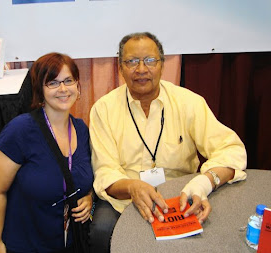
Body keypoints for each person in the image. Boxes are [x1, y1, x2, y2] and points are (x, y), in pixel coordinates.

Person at [89, 32, 247, 253]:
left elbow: (231, 149)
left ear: (162, 65)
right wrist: (133, 187)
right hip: (125, 196)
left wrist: (203, 184)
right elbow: (105, 170)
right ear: (120, 68)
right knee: (101, 231)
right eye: (132, 61)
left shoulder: (189, 102)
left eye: (150, 60)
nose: (141, 69)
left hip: (180, 193)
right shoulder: (103, 109)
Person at [0, 52, 94, 253]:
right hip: (26, 245)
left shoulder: (82, 129)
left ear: (78, 87)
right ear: (40, 90)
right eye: (52, 83)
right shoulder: (20, 130)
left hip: (71, 243)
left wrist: (89, 199)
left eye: (68, 81)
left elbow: (86, 180)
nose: (62, 89)